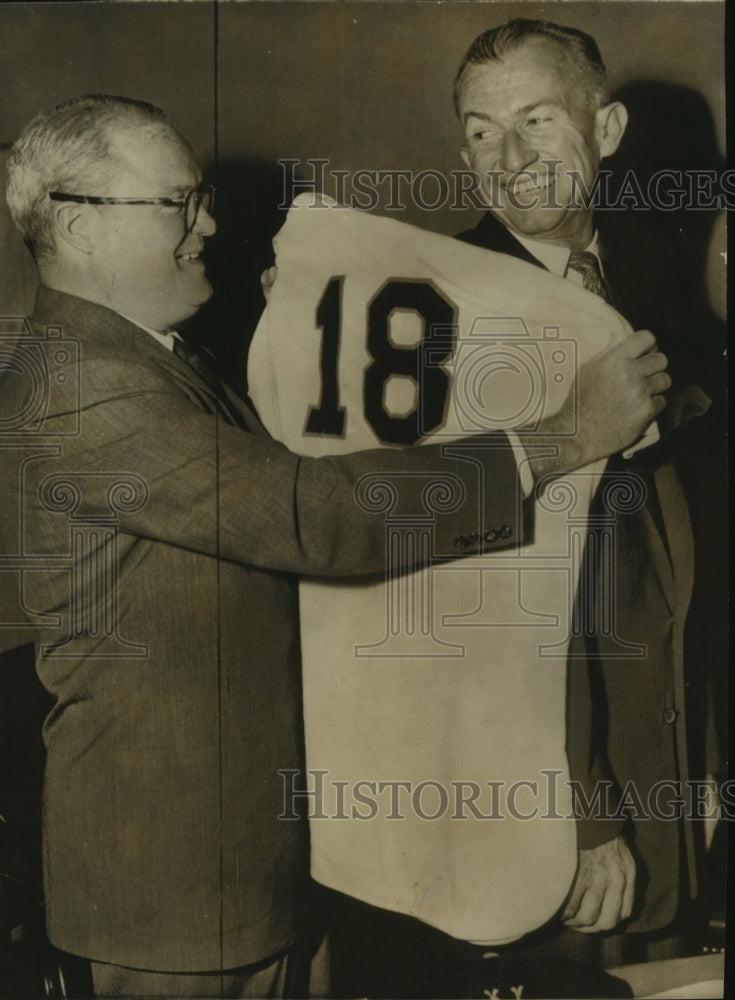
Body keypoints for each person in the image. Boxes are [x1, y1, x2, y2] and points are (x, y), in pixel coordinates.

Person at [0, 95, 668, 998]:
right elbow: (310, 514)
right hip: (178, 890)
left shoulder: (158, 360)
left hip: (251, 865)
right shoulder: (78, 387)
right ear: (78, 223)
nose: (211, 222)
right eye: (180, 202)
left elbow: (276, 480)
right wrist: (558, 439)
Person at [453, 12, 715, 962]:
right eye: (480, 131)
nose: (506, 157)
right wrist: (584, 809)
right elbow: (494, 614)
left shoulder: (644, 284)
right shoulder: (455, 314)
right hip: (556, 802)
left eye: (535, 122)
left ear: (603, 133)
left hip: (668, 762)